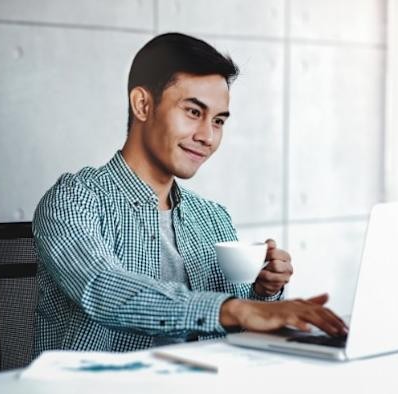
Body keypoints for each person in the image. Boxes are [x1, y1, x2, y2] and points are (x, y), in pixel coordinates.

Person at [32, 32, 347, 356]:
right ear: (143, 104)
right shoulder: (74, 200)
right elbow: (102, 289)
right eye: (194, 112)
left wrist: (263, 294)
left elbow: (236, 327)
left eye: (219, 120)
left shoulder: (212, 218)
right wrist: (238, 309)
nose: (208, 136)